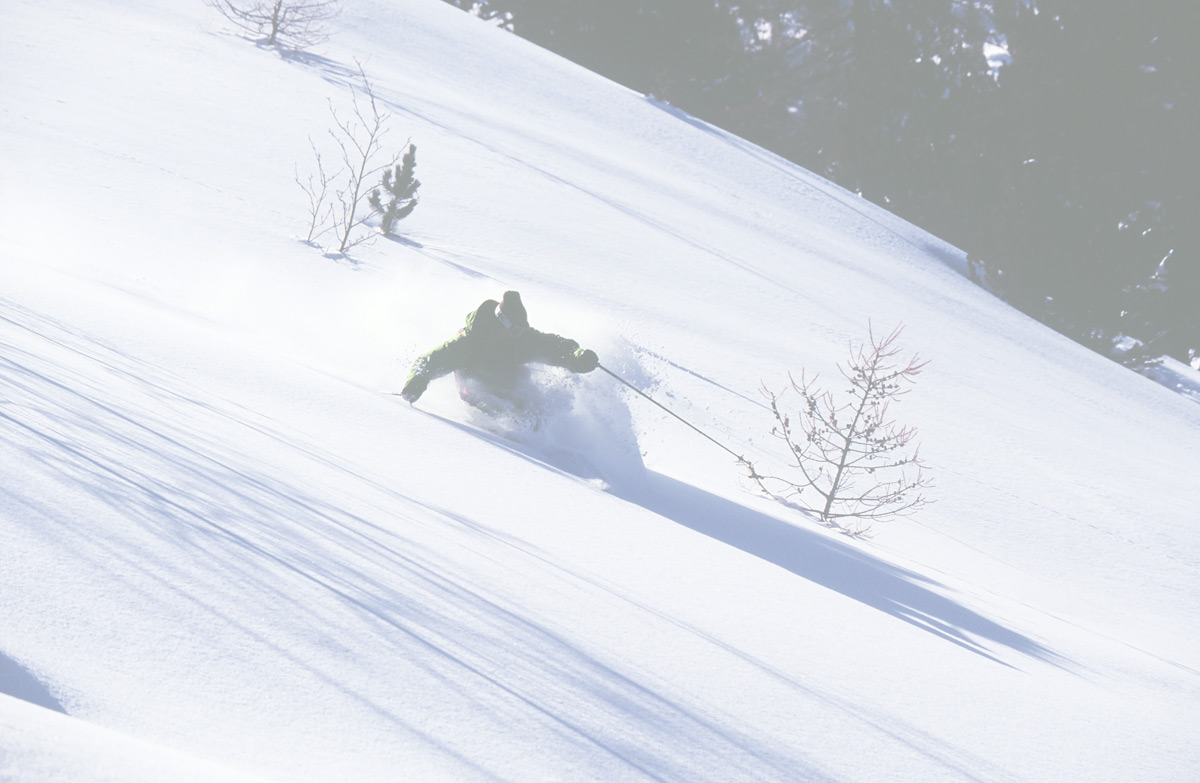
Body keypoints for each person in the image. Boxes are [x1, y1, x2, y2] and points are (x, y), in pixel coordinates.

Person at [399, 291, 600, 404]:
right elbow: (429, 362)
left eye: (522, 330)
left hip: (508, 383)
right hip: (476, 391)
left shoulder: (521, 339)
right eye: (515, 330)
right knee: (503, 409)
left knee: (534, 407)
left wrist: (577, 357)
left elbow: (554, 347)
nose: (519, 334)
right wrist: (416, 383)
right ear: (501, 324)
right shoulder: (469, 341)